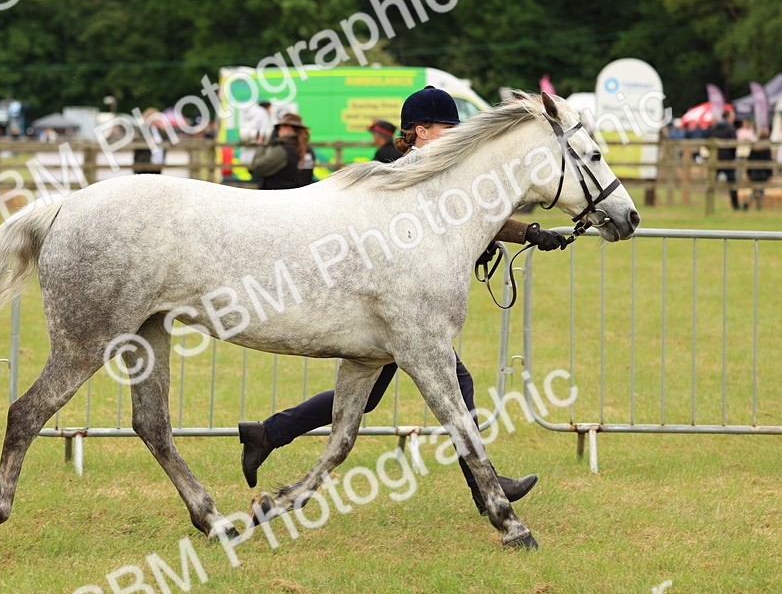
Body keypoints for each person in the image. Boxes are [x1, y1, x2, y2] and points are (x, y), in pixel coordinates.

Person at [237, 86, 568, 515]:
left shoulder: (438, 170)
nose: (453, 135)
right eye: (445, 127)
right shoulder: (398, 170)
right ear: (419, 130)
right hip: (392, 303)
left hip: (404, 305)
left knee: (370, 397)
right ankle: (489, 491)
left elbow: (469, 211)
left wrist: (529, 233)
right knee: (454, 382)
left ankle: (267, 433)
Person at [250, 113, 316, 190]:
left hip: (278, 198)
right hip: (301, 197)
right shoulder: (308, 150)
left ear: (287, 128)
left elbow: (258, 168)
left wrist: (261, 146)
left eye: (279, 128)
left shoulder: (282, 150)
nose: (277, 132)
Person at [707, 108, 739, 210]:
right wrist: (732, 156)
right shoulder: (730, 128)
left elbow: (708, 141)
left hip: (715, 159)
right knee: (732, 184)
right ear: (729, 116)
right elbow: (734, 144)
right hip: (728, 159)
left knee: (711, 182)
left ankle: (709, 204)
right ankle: (735, 206)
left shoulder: (714, 127)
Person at [744, 127, 773, 210]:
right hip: (763, 173)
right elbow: (768, 162)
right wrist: (770, 175)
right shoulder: (767, 149)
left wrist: (748, 172)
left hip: (754, 172)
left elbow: (749, 161)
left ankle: (748, 203)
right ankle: (758, 206)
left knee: (756, 190)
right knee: (760, 190)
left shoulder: (754, 147)